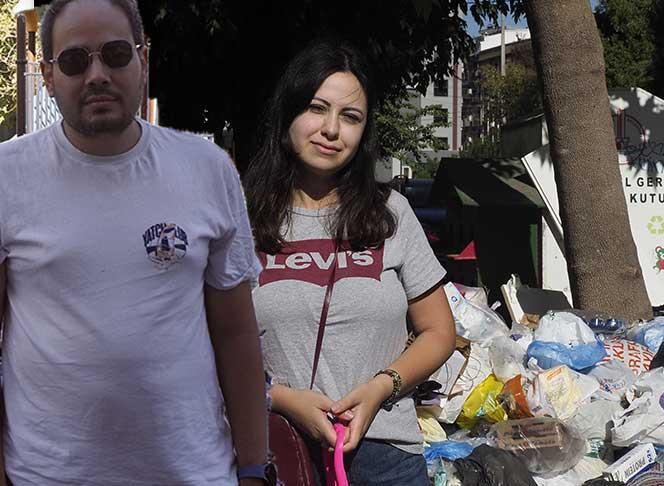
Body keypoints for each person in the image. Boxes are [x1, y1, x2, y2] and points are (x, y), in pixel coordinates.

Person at [0, 0, 268, 484]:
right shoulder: (7, 176)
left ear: (144, 59)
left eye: (117, 54)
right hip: (47, 475)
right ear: (47, 73)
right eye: (76, 60)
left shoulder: (206, 169)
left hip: (193, 472)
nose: (97, 74)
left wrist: (253, 466)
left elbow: (236, 334)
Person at [244, 39, 456, 486]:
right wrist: (281, 399)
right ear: (288, 115)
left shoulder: (391, 212)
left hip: (386, 456)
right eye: (317, 109)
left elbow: (440, 332)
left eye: (350, 117)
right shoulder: (239, 220)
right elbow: (206, 348)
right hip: (277, 451)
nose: (331, 130)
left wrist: (382, 387)